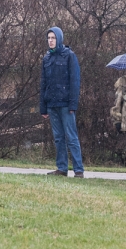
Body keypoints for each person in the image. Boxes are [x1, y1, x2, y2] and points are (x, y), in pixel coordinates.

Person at [40, 27, 84, 177]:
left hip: (66, 104)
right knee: (58, 138)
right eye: (49, 38)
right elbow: (43, 83)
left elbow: (75, 81)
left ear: (59, 39)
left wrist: (73, 104)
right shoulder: (46, 58)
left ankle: (78, 169)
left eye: (53, 38)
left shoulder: (69, 56)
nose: (50, 41)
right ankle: (62, 168)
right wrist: (43, 108)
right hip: (52, 104)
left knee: (71, 137)